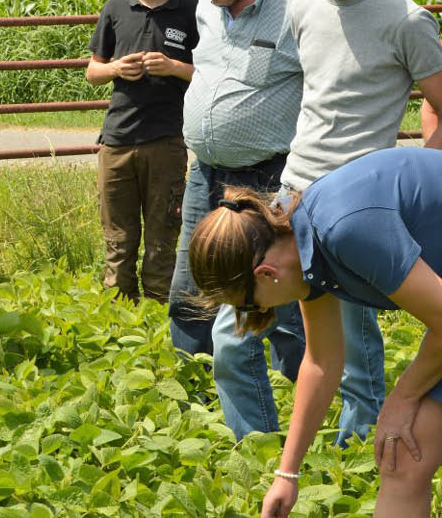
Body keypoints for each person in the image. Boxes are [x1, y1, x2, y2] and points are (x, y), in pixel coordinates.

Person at [270, 0, 442, 443]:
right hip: (293, 189)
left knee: (356, 341)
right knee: (264, 313)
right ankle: (286, 444)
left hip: (357, 207)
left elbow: (438, 99)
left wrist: (426, 164)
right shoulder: (302, 9)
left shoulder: (406, 20)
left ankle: (363, 449)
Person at [189, 147, 442, 518]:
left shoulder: (343, 230)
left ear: (265, 275)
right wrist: (287, 474)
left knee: (405, 447)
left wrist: (402, 398)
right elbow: (322, 362)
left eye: (246, 304)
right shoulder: (303, 244)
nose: (256, 314)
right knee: (402, 459)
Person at [166, 0, 311, 435]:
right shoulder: (209, 9)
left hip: (270, 176)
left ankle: (304, 398)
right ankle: (179, 403)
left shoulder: (299, 6)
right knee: (190, 285)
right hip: (207, 172)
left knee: (275, 296)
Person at [85, 0, 198, 302]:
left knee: (163, 237)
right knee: (118, 239)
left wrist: (174, 67)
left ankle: (156, 315)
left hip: (166, 139)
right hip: (117, 138)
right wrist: (117, 69)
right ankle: (119, 316)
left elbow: (211, 73)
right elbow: (92, 71)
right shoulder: (117, 8)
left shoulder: (191, 11)